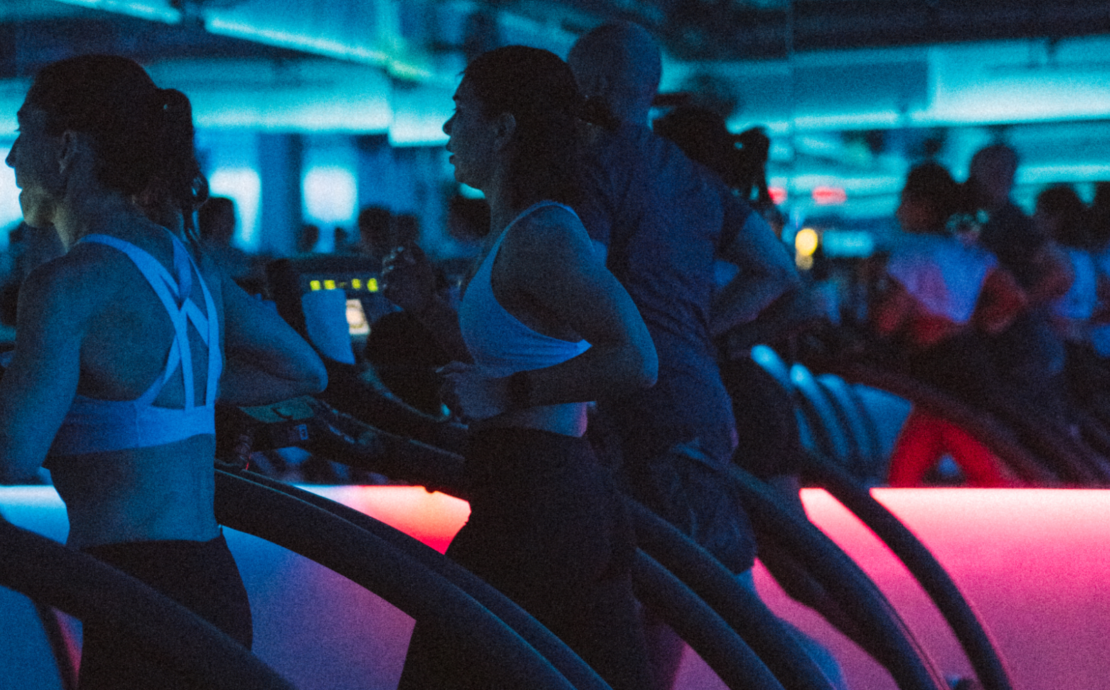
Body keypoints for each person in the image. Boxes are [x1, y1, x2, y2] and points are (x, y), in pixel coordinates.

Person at [0, 54, 328, 688]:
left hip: (138, 594)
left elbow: (12, 452)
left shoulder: (66, 286)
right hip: (209, 581)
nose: (11, 158)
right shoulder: (192, 265)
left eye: (22, 132)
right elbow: (303, 370)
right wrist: (196, 399)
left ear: (66, 148)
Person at [383, 46, 658, 690]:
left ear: (503, 129)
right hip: (534, 495)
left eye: (459, 113)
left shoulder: (545, 235)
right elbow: (513, 354)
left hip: (543, 505)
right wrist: (428, 308)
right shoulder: (512, 232)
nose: (448, 131)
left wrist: (510, 392)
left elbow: (636, 358)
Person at [568, 22, 809, 689]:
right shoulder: (688, 176)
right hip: (695, 400)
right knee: (671, 602)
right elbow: (775, 273)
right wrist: (705, 332)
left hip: (637, 408)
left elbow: (577, 285)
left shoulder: (591, 169)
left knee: (722, 606)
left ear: (589, 83)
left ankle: (821, 678)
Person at [872, 162, 1027, 486]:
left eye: (903, 200)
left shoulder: (912, 253)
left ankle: (1029, 523)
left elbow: (887, 322)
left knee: (974, 465)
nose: (898, 209)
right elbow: (1014, 297)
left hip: (938, 367)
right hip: (966, 361)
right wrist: (971, 324)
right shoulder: (968, 252)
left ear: (923, 206)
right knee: (917, 463)